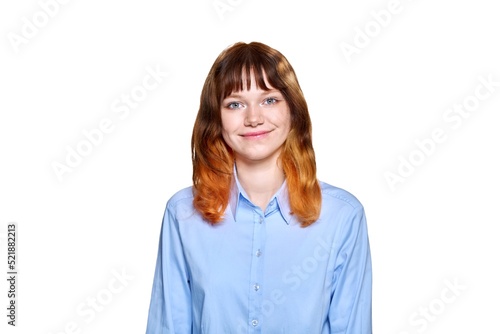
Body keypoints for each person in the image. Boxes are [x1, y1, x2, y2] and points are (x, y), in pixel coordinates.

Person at [146, 41, 372, 333]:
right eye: (235, 104)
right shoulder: (183, 214)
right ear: (216, 118)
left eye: (269, 100)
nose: (253, 118)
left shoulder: (342, 216)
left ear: (293, 110)